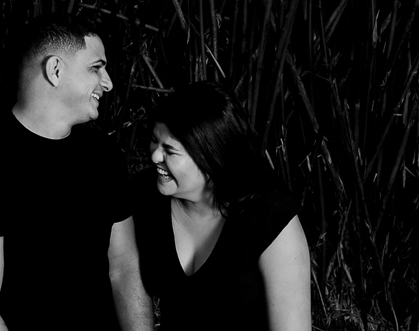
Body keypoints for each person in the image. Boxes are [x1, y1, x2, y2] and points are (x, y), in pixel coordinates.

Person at [0, 16, 153, 330]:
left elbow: (124, 268)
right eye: (96, 68)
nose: (108, 83)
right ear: (55, 70)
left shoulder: (104, 155)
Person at [132, 81, 311, 330]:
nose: (154, 156)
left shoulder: (270, 218)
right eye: (154, 140)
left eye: (170, 151)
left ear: (210, 156)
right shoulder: (145, 196)